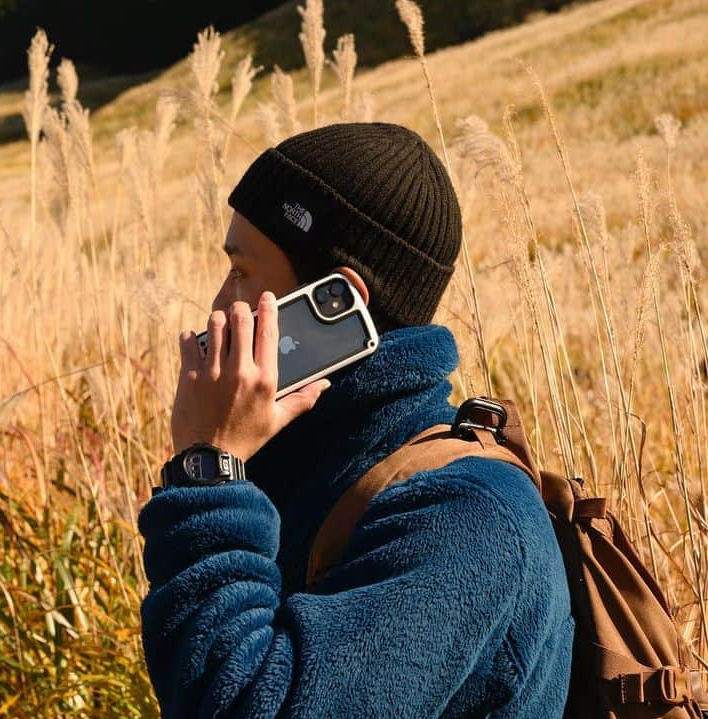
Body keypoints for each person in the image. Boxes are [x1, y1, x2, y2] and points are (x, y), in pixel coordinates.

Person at [138, 122, 575, 717]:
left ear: (336, 304)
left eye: (242, 271)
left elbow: (248, 702)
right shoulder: (313, 463)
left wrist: (208, 468)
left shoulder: (466, 515)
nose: (220, 303)